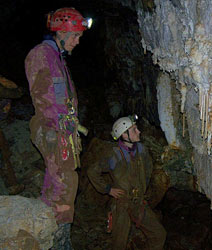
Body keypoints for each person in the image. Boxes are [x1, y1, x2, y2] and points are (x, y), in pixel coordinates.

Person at [24, 7, 92, 249]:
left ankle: (55, 233)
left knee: (62, 180)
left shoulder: (57, 57)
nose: (77, 41)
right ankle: (58, 239)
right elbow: (42, 96)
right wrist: (60, 123)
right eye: (74, 36)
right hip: (53, 130)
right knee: (63, 182)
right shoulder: (42, 55)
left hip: (62, 131)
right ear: (61, 32)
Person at [87, 115, 166, 250]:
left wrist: (142, 188)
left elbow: (148, 168)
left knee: (159, 234)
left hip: (139, 201)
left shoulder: (142, 150)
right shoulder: (114, 155)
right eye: (134, 129)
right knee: (119, 244)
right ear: (124, 135)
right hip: (122, 203)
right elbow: (92, 171)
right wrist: (108, 189)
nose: (139, 131)